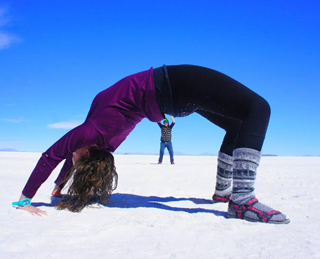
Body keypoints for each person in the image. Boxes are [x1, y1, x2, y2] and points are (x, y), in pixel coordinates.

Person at [14, 64, 290, 224]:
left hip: (172, 99)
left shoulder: (101, 145)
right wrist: (28, 196)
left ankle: (224, 193)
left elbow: (64, 157)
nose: (69, 161)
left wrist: (58, 186)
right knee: (258, 108)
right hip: (172, 84)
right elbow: (53, 156)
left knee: (237, 123)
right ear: (87, 152)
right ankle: (241, 200)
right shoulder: (92, 133)